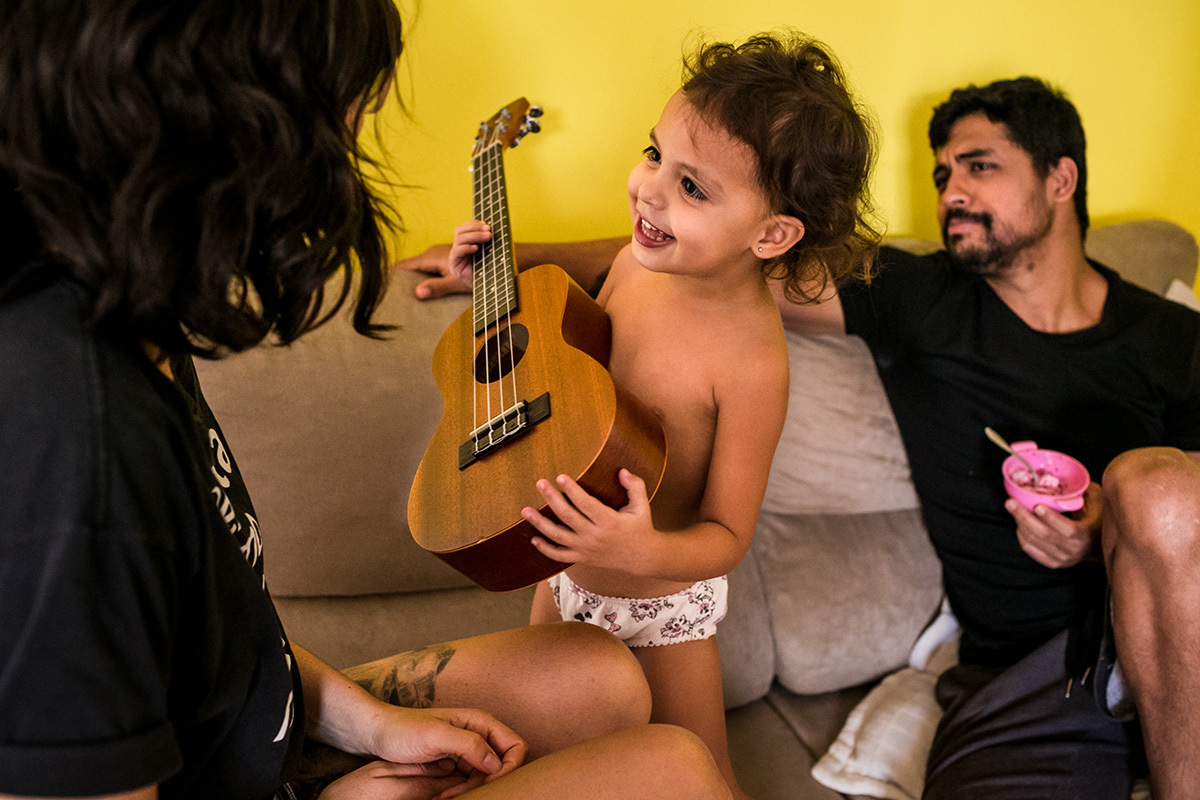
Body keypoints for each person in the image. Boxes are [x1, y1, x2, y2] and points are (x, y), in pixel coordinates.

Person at [0, 2, 735, 800]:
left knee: (601, 675)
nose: (351, 149)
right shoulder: (74, 462)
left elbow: (216, 626)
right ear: (228, 122)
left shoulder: (126, 302)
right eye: (346, 110)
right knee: (680, 774)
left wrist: (362, 720)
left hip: (260, 738)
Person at [411, 74, 1200, 799]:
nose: (951, 192)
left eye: (979, 166)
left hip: (1170, 622)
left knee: (1156, 490)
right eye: (940, 175)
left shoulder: (1175, 337)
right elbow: (690, 255)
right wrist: (509, 263)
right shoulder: (924, 296)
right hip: (1032, 672)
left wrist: (1117, 529)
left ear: (1060, 178)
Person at [423, 33, 878, 799]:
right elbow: (575, 330)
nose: (649, 189)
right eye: (652, 152)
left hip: (662, 604)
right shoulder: (637, 261)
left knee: (700, 778)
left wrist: (637, 551)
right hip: (562, 571)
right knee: (542, 760)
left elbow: (728, 537)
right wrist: (497, 264)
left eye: (692, 188)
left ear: (772, 235)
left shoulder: (753, 363)